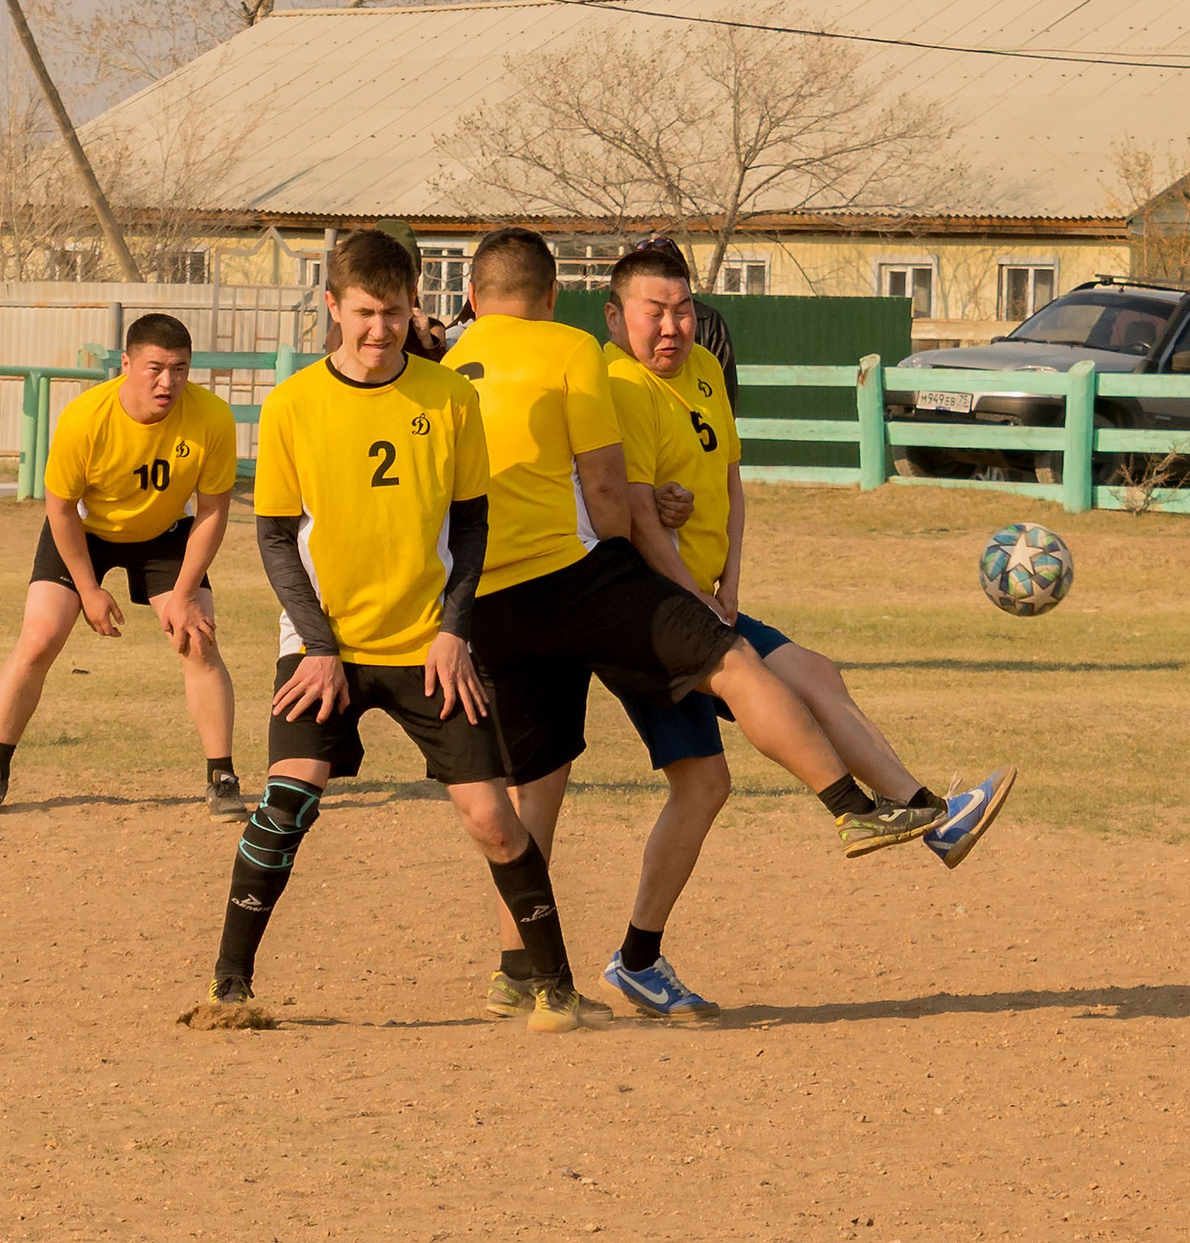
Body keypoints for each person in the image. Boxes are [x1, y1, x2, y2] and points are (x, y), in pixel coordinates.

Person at [443, 229, 943, 1022]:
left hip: (485, 604)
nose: (672, 325)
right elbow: (608, 491)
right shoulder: (573, 353)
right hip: (581, 580)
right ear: (555, 301)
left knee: (537, 789)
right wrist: (618, 552)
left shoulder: (440, 373)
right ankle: (851, 811)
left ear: (469, 298)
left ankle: (525, 973)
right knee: (736, 661)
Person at [592, 243, 1017, 1017]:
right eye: (655, 311)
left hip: (700, 598)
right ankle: (884, 812)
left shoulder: (706, 373)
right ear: (617, 316)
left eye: (683, 309)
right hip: (648, 612)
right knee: (747, 719)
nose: (672, 325)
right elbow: (640, 521)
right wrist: (698, 600)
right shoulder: (620, 385)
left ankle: (637, 961)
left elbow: (727, 482)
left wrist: (730, 582)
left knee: (729, 760)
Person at [191, 230, 593, 1032]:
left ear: (417, 308)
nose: (381, 330)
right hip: (323, 646)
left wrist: (453, 631)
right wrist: (319, 644)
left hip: (427, 647)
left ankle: (556, 986)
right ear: (334, 308)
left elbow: (472, 530)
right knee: (287, 801)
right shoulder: (294, 405)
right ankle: (228, 986)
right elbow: (274, 537)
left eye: (397, 312)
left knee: (491, 819)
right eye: (366, 313)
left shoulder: (451, 399)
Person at [0, 313, 244, 820]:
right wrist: (89, 590)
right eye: (154, 368)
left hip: (165, 535)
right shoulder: (84, 418)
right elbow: (59, 509)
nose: (168, 382)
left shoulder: (212, 417)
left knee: (198, 638)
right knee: (40, 637)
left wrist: (183, 595)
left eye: (180, 369)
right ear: (126, 364)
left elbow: (212, 511)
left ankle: (222, 775)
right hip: (84, 533)